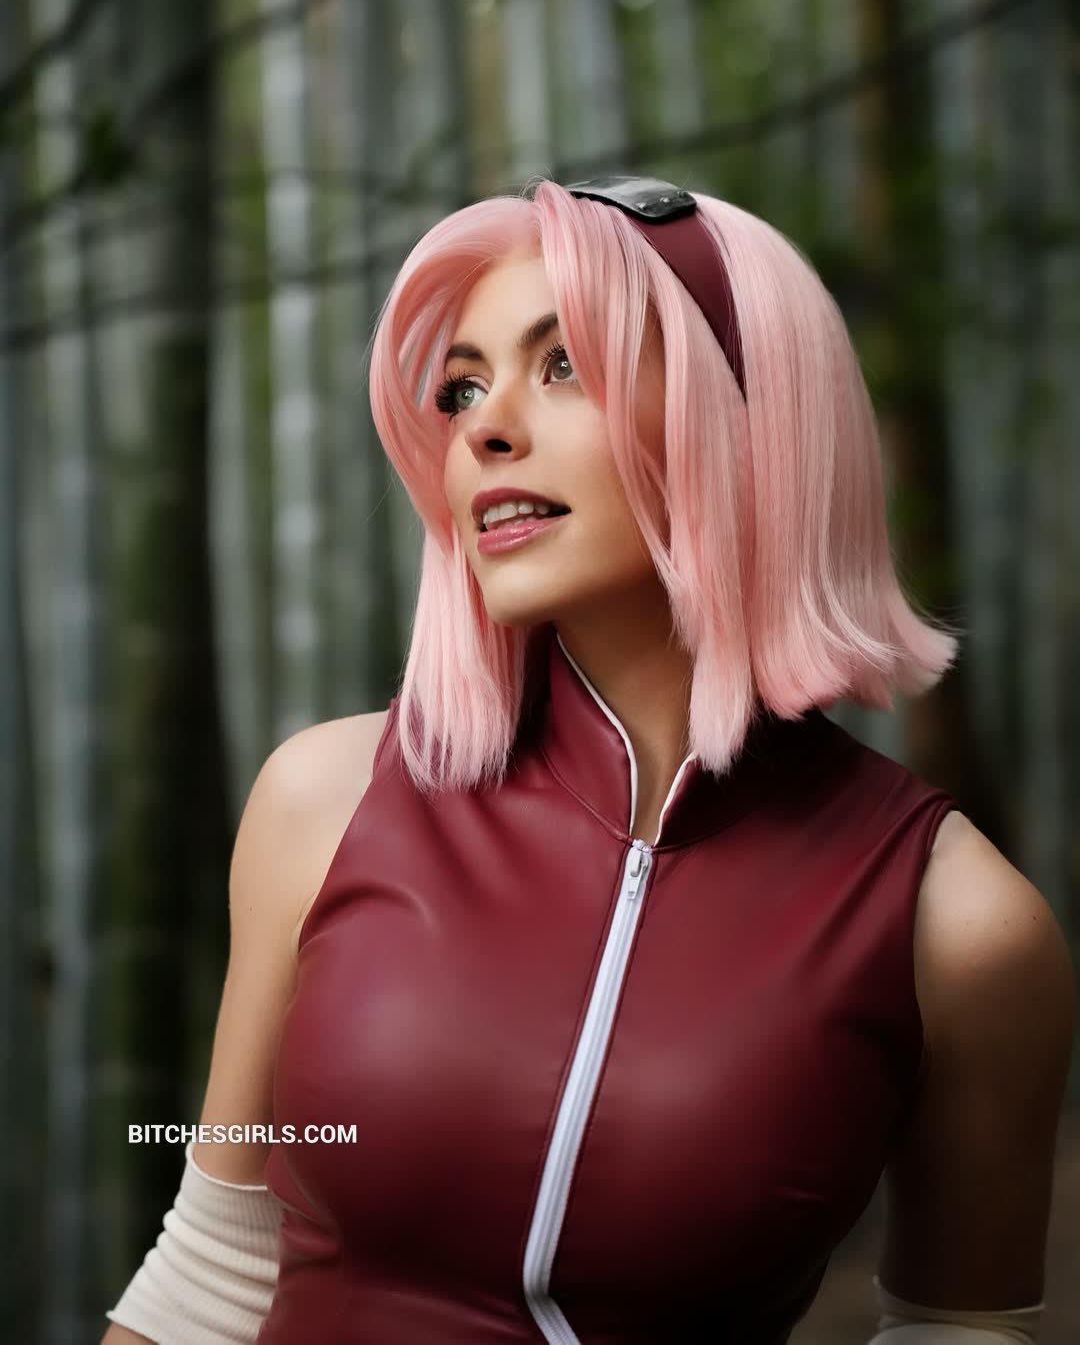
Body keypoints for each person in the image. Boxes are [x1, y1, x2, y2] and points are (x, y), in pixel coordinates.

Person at [101, 176, 1073, 1344]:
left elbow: (961, 1331)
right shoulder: (325, 802)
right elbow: (212, 1275)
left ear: (750, 412)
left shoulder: (959, 928)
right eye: (463, 387)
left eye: (563, 365)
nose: (483, 428)